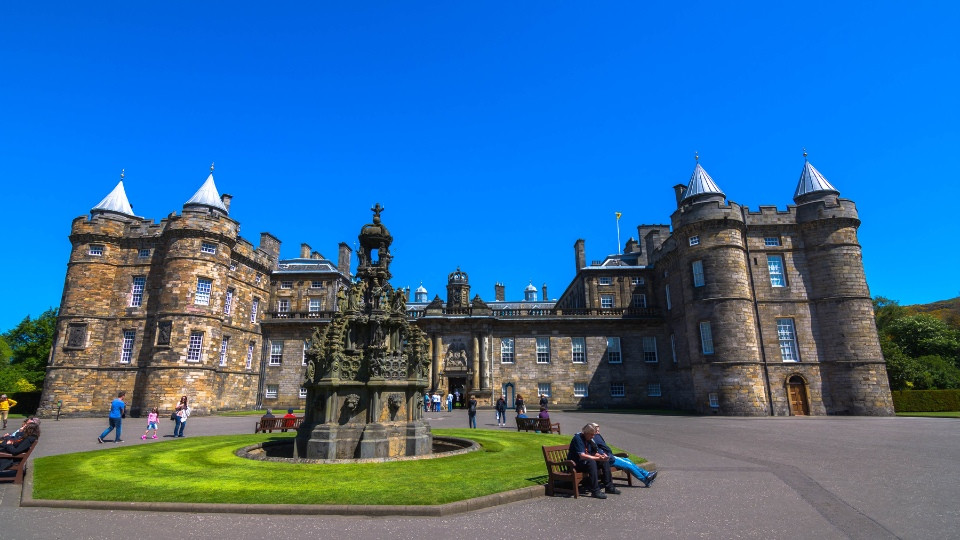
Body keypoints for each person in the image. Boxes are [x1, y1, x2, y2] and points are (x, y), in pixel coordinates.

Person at [590, 422, 658, 487]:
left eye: (599, 430)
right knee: (628, 464)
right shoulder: (596, 437)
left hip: (606, 458)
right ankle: (646, 480)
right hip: (607, 459)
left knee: (627, 460)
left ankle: (646, 475)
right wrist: (609, 453)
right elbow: (605, 448)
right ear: (593, 430)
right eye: (597, 430)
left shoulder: (593, 437)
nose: (598, 432)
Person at [568, 423, 620, 499]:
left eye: (594, 435)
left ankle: (609, 487)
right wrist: (598, 458)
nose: (593, 436)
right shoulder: (577, 438)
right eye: (591, 435)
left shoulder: (589, 439)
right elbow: (582, 456)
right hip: (576, 464)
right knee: (591, 462)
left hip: (585, 462)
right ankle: (595, 491)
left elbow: (592, 453)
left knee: (604, 461)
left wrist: (601, 456)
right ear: (586, 433)